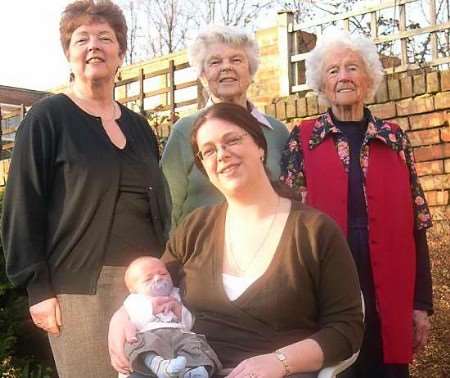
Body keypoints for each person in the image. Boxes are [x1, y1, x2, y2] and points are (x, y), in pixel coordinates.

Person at [109, 103, 364, 378]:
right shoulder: (196, 228)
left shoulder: (315, 231)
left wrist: (279, 362)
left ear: (260, 147)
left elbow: (345, 329)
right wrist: (121, 317)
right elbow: (150, 284)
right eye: (208, 151)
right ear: (204, 168)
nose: (222, 155)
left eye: (232, 140)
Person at [1, 1, 170, 377]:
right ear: (68, 53)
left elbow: (158, 206)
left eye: (105, 38)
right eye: (82, 38)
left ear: (121, 53)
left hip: (148, 288)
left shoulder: (140, 128)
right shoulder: (48, 118)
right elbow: (21, 206)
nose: (94, 45)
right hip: (81, 291)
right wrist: (38, 289)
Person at [280, 28, 433, 378]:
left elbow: (417, 222)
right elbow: (288, 225)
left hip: (390, 283)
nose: (344, 77)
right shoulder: (302, 139)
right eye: (333, 71)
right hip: (328, 278)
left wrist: (421, 303)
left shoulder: (394, 138)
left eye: (352, 68)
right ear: (322, 83)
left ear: (368, 78)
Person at [161, 25, 289, 228]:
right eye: (215, 62)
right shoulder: (185, 131)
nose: (226, 67)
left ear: (251, 71)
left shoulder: (277, 132)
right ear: (203, 76)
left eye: (236, 60)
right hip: (200, 252)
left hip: (266, 248)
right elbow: (167, 208)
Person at [123, 256, 221, 377]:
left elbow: (189, 324)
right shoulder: (135, 299)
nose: (158, 278)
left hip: (179, 333)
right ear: (133, 289)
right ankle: (158, 365)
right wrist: (151, 309)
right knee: (139, 344)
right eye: (148, 279)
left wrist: (179, 310)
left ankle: (191, 372)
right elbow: (135, 321)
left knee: (195, 344)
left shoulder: (177, 293)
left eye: (163, 274)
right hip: (151, 334)